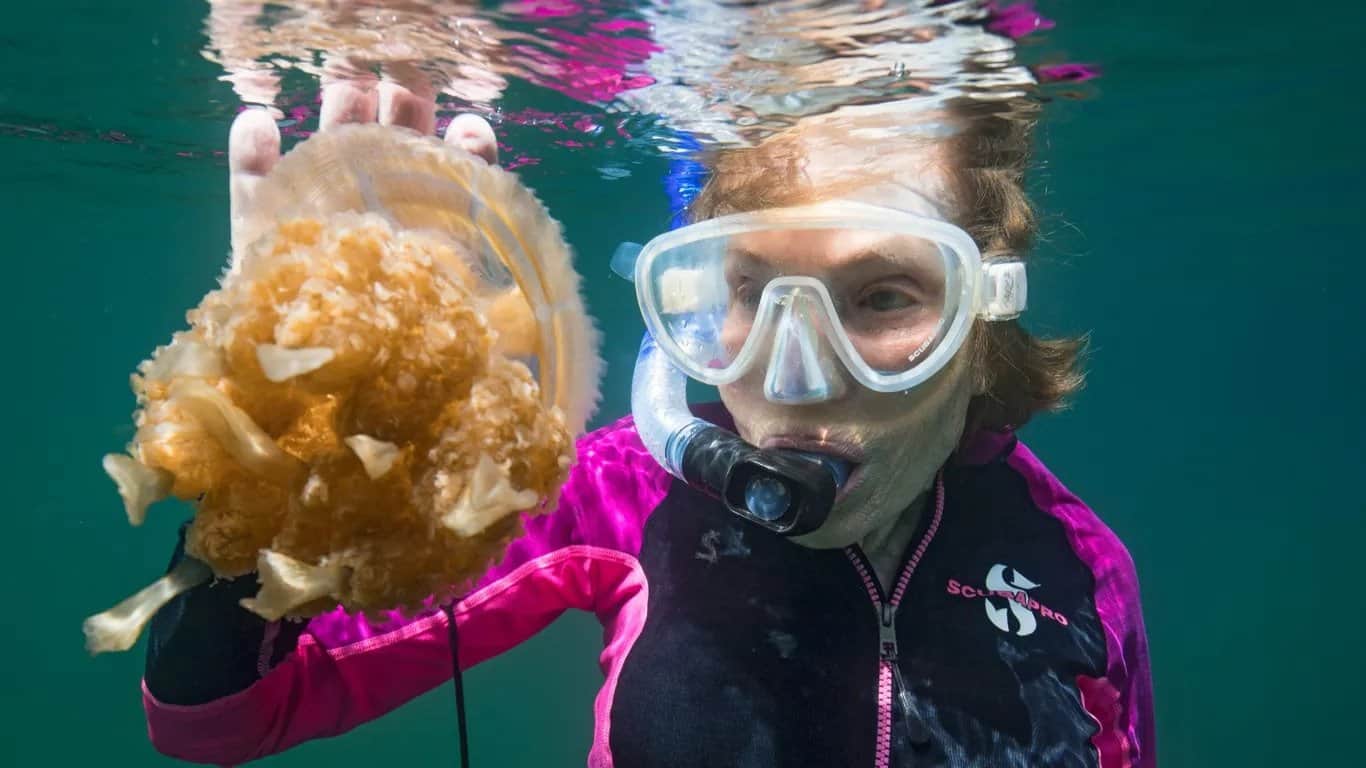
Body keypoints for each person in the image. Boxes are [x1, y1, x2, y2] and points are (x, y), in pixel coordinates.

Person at [141, 66, 1154, 768]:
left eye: (885, 298)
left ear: (984, 316)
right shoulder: (619, 498)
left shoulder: (1081, 568)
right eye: (753, 291)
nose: (796, 380)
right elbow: (218, 722)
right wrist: (278, 486)